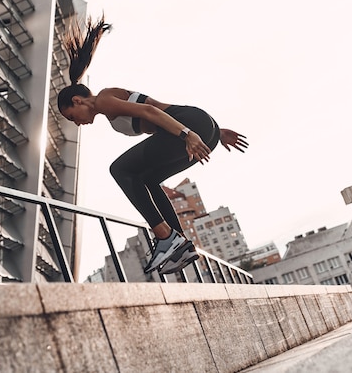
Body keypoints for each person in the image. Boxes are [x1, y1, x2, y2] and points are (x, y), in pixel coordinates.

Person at [57, 15, 249, 276]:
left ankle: (166, 237)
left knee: (119, 170)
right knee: (147, 178)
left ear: (78, 101)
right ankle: (178, 243)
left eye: (71, 117)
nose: (77, 124)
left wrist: (188, 135)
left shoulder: (103, 100)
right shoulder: (107, 106)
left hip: (188, 128)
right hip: (198, 125)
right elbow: (159, 111)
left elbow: (150, 111)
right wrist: (215, 131)